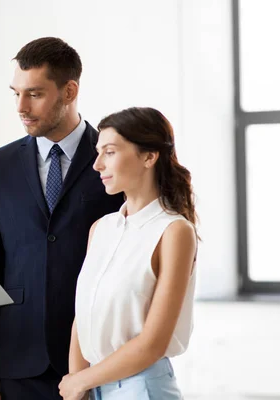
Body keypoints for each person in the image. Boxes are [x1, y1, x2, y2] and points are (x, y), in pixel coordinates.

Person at [0, 37, 124, 400]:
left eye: (34, 94)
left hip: (98, 359)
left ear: (70, 91)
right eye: (15, 93)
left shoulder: (114, 160)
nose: (21, 106)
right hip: (19, 360)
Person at [58, 107, 198, 400]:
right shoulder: (101, 228)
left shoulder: (174, 231)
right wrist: (76, 381)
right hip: (91, 385)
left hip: (141, 388)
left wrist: (80, 380)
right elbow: (83, 314)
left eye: (109, 152)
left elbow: (152, 343)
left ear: (149, 156)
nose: (96, 164)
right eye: (98, 152)